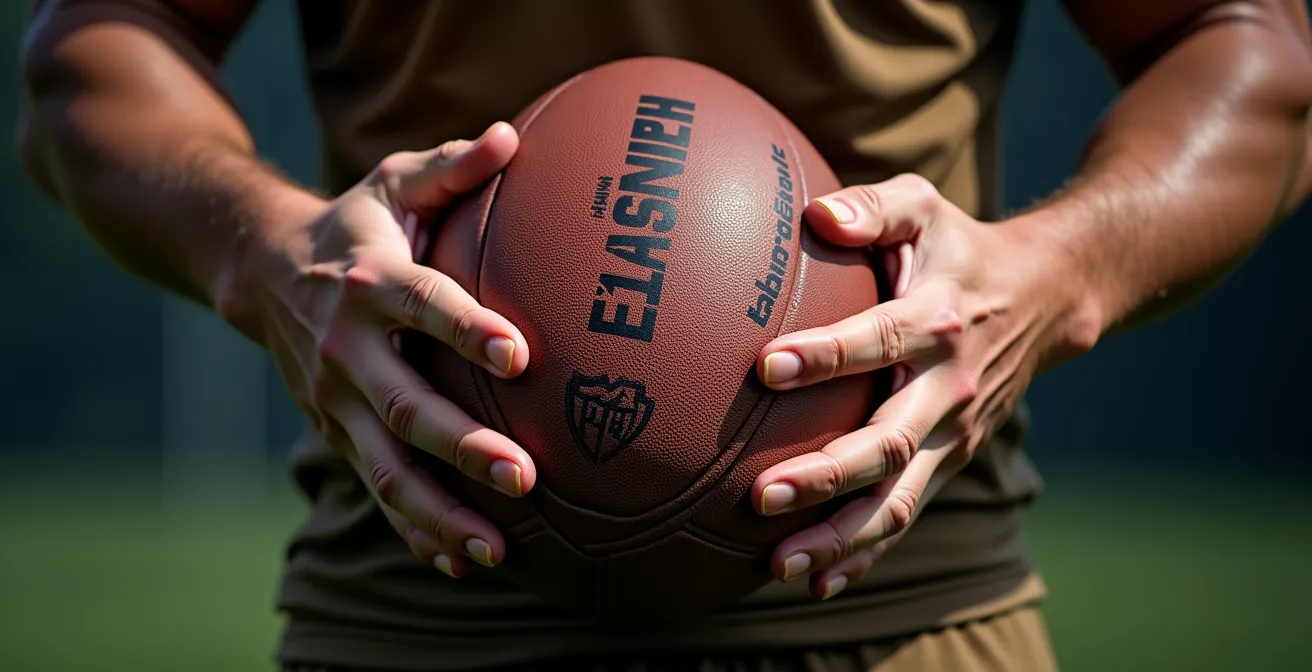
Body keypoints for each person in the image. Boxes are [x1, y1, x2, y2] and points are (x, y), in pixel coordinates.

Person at [18, 0, 1312, 670]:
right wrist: (266, 252)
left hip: (902, 616)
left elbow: (1249, 47)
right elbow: (91, 56)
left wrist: (1057, 267)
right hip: (421, 609)